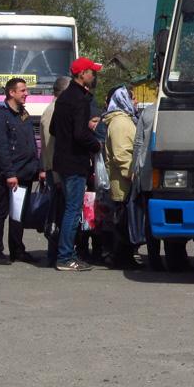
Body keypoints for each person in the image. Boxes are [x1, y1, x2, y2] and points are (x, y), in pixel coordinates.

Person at [50, 57, 102, 271]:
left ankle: (64, 253)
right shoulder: (80, 100)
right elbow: (80, 134)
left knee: (68, 208)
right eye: (91, 72)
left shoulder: (63, 98)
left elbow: (54, 128)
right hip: (75, 162)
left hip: (62, 160)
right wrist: (95, 144)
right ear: (82, 75)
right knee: (73, 209)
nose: (94, 75)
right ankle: (65, 257)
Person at [0, 78, 44, 264]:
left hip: (26, 171)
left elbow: (30, 142)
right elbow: (0, 147)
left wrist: (38, 167)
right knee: (1, 211)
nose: (26, 93)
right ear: (11, 93)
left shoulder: (22, 113)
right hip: (10, 173)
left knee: (18, 212)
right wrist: (10, 173)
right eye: (22, 90)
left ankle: (17, 249)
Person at [101, 84, 137, 267]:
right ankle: (122, 258)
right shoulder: (120, 122)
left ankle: (125, 256)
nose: (136, 101)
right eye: (133, 98)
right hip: (124, 181)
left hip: (124, 180)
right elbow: (121, 153)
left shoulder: (123, 119)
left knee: (124, 221)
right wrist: (130, 174)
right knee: (122, 221)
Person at [40, 76, 70, 266]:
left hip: (56, 170)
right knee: (58, 213)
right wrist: (57, 177)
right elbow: (51, 148)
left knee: (60, 212)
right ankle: (56, 253)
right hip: (56, 171)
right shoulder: (52, 111)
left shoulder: (58, 109)